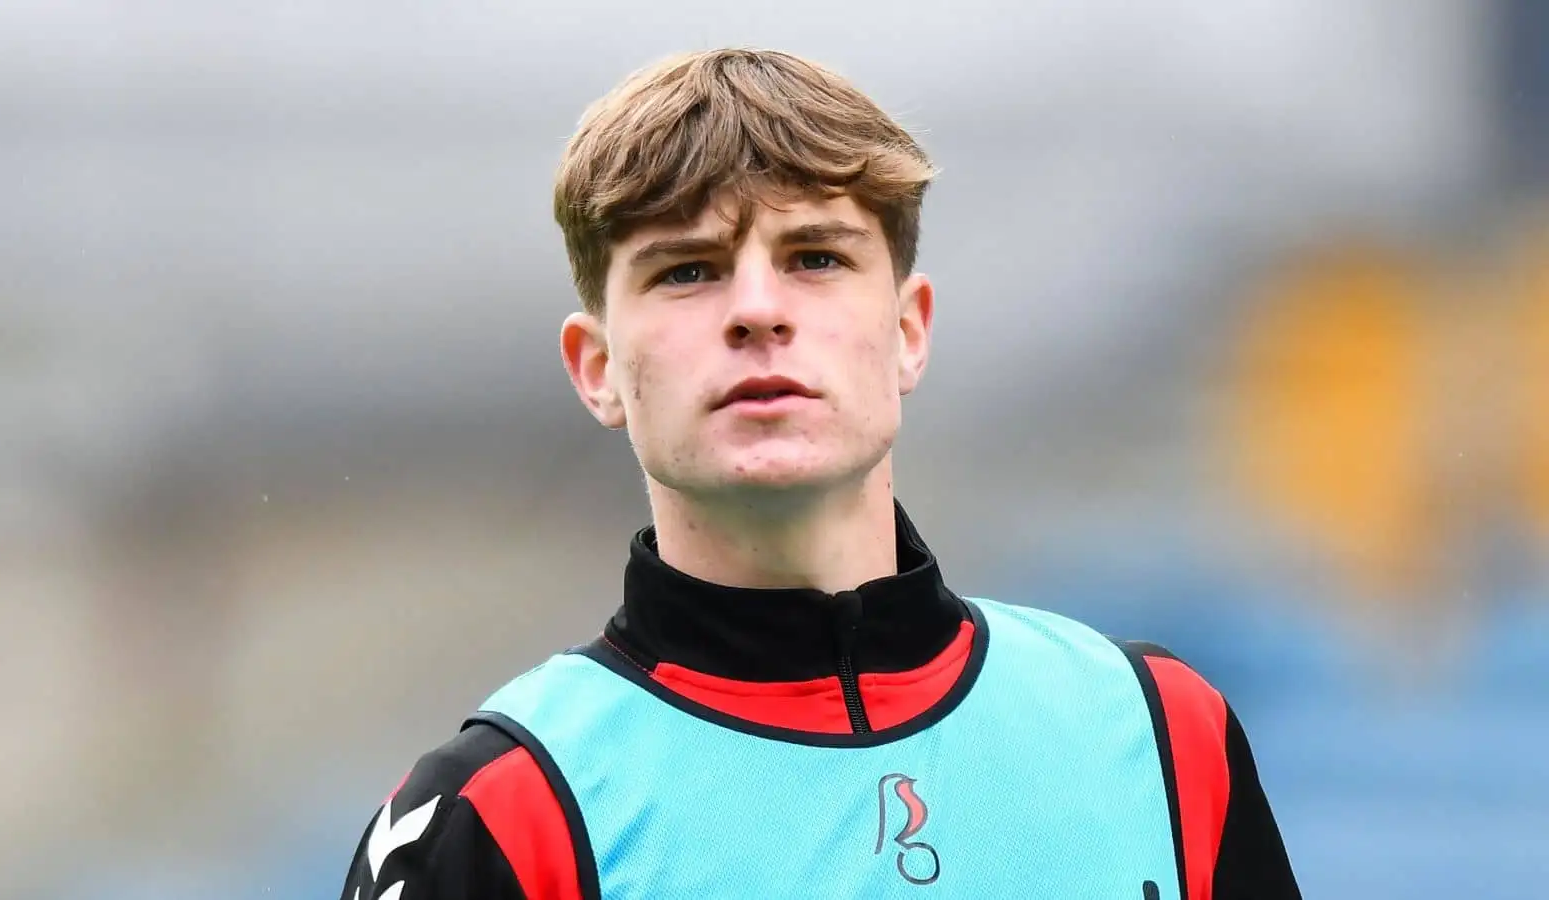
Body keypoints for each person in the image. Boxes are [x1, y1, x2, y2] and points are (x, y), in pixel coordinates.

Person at [336, 48, 1300, 899]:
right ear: (598, 369)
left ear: (909, 330)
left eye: (815, 256)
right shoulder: (499, 815)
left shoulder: (1163, 736)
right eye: (686, 270)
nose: (757, 310)